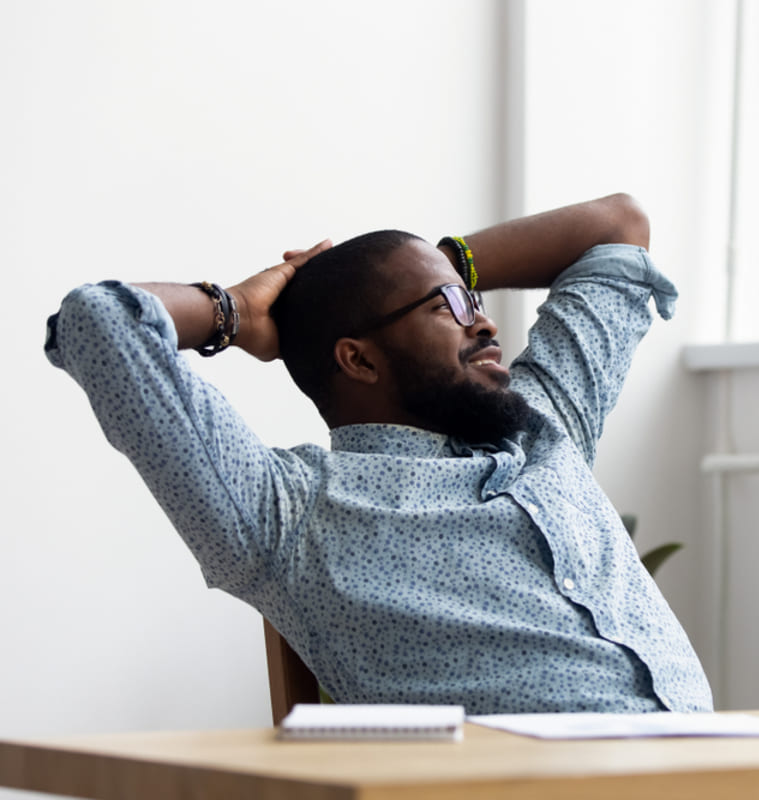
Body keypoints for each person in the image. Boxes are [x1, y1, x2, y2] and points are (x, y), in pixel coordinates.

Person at [45, 193, 713, 715]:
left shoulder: (542, 424)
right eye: (448, 304)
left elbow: (618, 226)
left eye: (470, 297)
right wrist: (238, 311)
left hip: (728, 771)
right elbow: (97, 322)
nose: (482, 320)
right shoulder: (286, 512)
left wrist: (434, 259)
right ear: (357, 358)